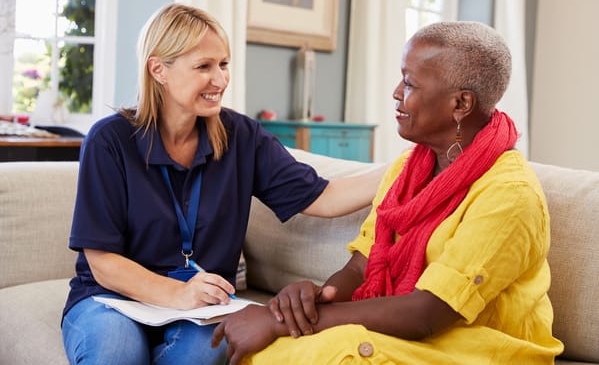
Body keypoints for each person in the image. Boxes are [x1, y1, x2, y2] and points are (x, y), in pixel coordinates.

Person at [211, 21, 565, 364]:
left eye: (410, 83)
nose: (396, 92)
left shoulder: (509, 195)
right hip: (418, 335)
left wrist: (277, 321)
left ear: (461, 104)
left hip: (479, 348)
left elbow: (427, 313)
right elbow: (362, 266)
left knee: (332, 354)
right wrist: (316, 300)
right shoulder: (408, 168)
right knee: (274, 349)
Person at [61, 2, 386, 365]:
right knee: (115, 354)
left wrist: (407, 166)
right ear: (158, 70)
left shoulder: (242, 136)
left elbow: (323, 196)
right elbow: (103, 262)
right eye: (204, 66)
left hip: (202, 309)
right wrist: (177, 292)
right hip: (113, 299)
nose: (220, 79)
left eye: (224, 64)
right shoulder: (110, 140)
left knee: (202, 355)